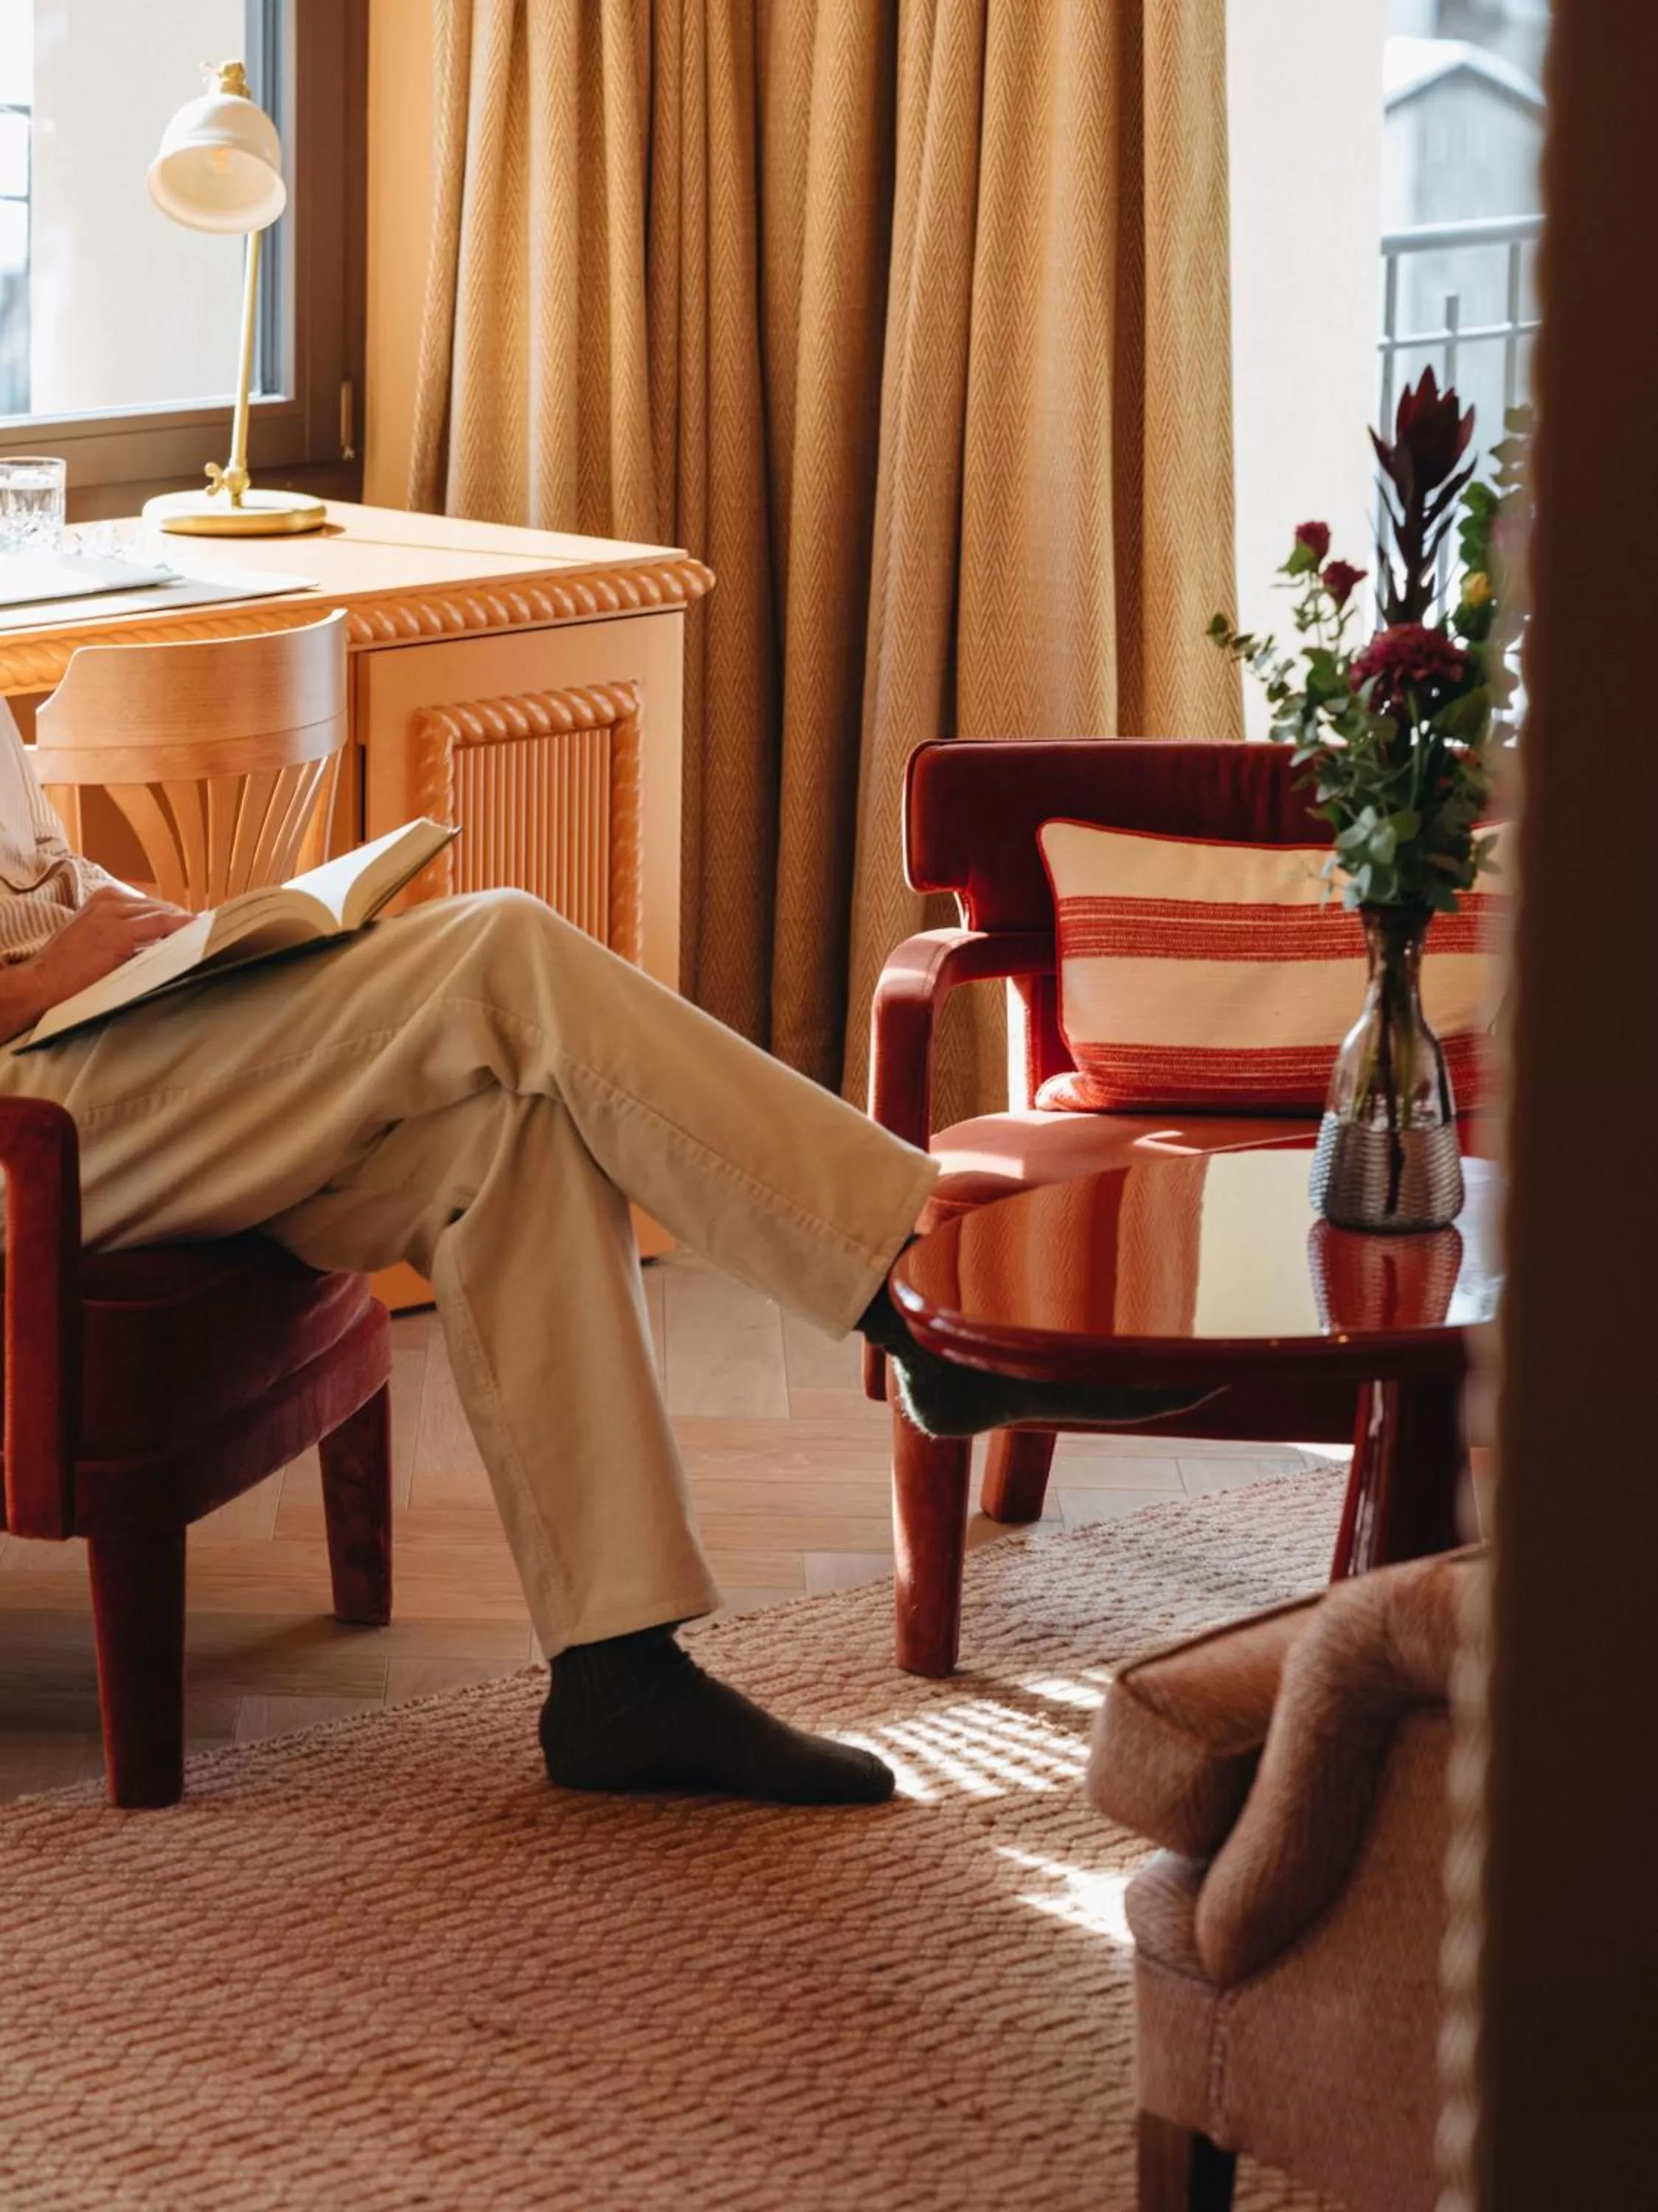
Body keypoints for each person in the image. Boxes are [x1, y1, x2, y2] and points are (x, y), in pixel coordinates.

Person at [3, 700, 1172, 1806]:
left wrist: (169, 937)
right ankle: (910, 1299)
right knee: (503, 955)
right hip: (28, 1123)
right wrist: (54, 977)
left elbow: (44, 883)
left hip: (103, 1051)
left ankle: (620, 1676)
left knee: (509, 1141)